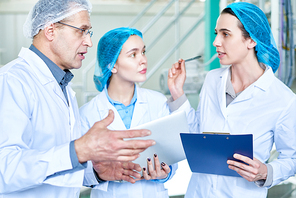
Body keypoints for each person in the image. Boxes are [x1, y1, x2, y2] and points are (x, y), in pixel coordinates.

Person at [0, 1, 156, 197]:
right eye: (81, 31)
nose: (89, 42)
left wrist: (96, 174)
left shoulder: (62, 86)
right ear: (50, 30)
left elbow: (56, 171)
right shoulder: (11, 82)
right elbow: (4, 169)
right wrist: (78, 150)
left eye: (88, 33)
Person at [167, 2, 296, 198]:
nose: (216, 42)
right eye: (216, 33)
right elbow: (198, 134)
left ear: (251, 40)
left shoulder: (282, 99)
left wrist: (265, 172)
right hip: (198, 193)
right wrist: (177, 93)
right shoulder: (212, 79)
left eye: (225, 34)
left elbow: (292, 158)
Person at [79, 27, 177, 198]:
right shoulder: (88, 113)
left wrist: (164, 174)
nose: (143, 60)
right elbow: (79, 173)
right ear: (112, 65)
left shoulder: (158, 102)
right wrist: (100, 173)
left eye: (143, 52)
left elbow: (171, 157)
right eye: (133, 54)